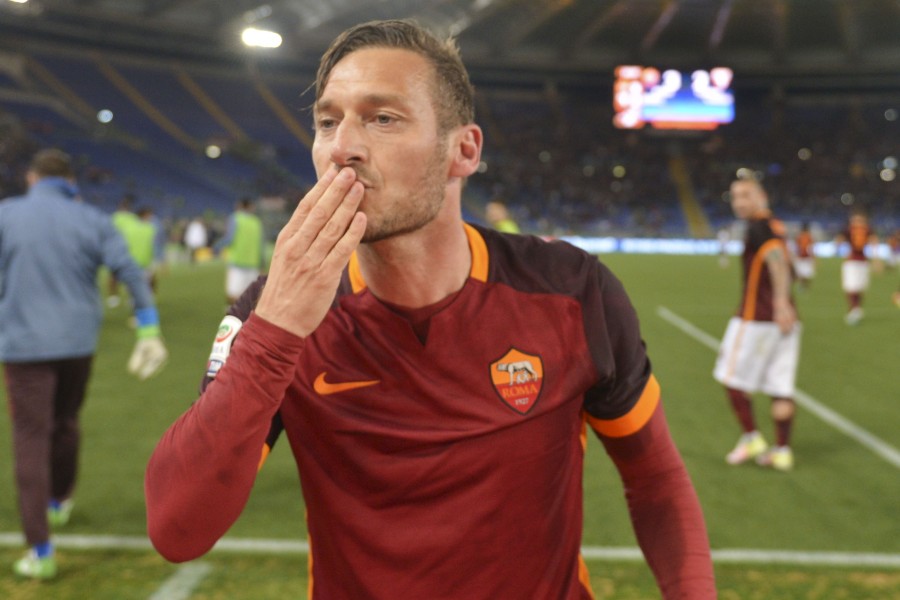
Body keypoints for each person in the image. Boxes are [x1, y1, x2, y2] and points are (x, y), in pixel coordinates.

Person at [145, 20, 715, 599]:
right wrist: (276, 333)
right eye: (326, 121)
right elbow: (177, 529)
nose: (343, 146)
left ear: (462, 150)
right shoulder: (275, 315)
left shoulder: (570, 293)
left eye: (382, 118)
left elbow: (657, 482)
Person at [0, 149, 169, 579]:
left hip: (23, 346)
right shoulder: (93, 220)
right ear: (70, 182)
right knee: (67, 421)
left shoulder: (7, 214)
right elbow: (130, 272)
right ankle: (59, 500)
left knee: (31, 436)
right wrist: (147, 329)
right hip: (77, 343)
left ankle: (40, 550)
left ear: (33, 179)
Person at [714, 177, 800, 472]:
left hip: (756, 319)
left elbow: (776, 261)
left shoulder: (758, 226)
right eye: (735, 196)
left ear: (761, 195)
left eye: (746, 195)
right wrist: (786, 303)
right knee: (781, 387)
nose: (739, 202)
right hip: (787, 322)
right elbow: (788, 265)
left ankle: (751, 437)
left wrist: (778, 301)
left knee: (731, 378)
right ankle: (782, 451)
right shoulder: (776, 225)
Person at [214, 197, 265, 304]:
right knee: (252, 297)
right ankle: (247, 318)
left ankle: (234, 318)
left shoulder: (235, 218)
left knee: (233, 296)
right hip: (253, 264)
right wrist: (262, 264)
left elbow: (229, 239)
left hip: (237, 262)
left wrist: (216, 246)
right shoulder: (257, 222)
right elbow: (261, 245)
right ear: (251, 207)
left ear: (240, 206)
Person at [836, 210, 877, 325]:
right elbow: (873, 241)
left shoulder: (851, 228)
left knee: (855, 287)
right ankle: (855, 309)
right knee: (854, 286)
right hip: (858, 261)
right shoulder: (866, 229)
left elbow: (839, 239)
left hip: (855, 261)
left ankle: (855, 309)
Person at [106, 195, 141, 307]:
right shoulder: (134, 218)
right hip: (131, 251)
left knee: (114, 275)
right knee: (131, 275)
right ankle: (131, 298)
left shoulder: (114, 217)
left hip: (117, 251)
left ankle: (114, 297)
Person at [792, 221, 815, 289]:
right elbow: (810, 247)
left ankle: (804, 286)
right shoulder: (807, 236)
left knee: (804, 273)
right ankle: (804, 286)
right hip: (804, 257)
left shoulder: (802, 236)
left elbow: (797, 247)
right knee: (803, 273)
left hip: (803, 257)